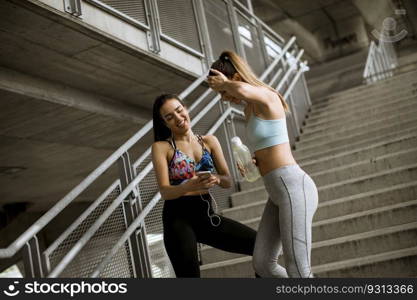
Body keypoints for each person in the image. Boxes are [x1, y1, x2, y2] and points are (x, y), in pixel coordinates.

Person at [207, 51, 319, 278]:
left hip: (294, 186)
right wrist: (254, 163)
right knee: (263, 264)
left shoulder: (267, 96)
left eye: (224, 93)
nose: (224, 98)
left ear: (237, 78)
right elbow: (270, 145)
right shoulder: (249, 108)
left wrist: (225, 83)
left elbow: (248, 90)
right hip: (276, 192)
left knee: (298, 268)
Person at [151, 93, 257, 278]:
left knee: (259, 245)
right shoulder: (162, 147)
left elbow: (227, 180)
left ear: (186, 108)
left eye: (179, 110)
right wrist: (187, 186)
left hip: (207, 216)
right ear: (164, 123)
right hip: (177, 219)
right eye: (170, 117)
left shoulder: (210, 141)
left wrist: (216, 179)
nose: (178, 118)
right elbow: (165, 192)